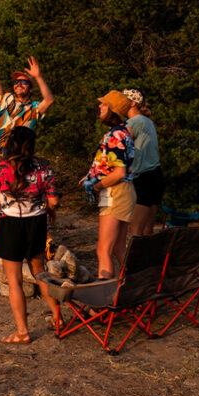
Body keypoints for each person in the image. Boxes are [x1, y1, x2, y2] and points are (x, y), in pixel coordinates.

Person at [0, 126, 60, 344]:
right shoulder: (43, 166)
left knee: (14, 281)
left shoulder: (1, 168)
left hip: (11, 225)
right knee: (39, 272)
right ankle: (58, 317)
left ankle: (23, 332)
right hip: (37, 222)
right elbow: (53, 201)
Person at [81, 91, 136, 280]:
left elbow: (119, 173)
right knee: (120, 249)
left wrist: (96, 186)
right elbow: (114, 166)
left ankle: (106, 301)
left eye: (104, 104)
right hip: (125, 193)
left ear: (112, 110)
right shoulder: (123, 132)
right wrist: (93, 174)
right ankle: (135, 288)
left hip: (115, 193)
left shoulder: (115, 135)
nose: (99, 107)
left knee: (103, 250)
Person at [0, 27, 54, 157]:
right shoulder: (5, 98)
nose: (18, 84)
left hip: (21, 158)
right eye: (16, 82)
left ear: (31, 88)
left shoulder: (34, 108)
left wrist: (38, 77)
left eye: (23, 82)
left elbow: (49, 100)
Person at [122, 89, 163, 237]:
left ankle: (136, 260)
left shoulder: (133, 122)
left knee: (135, 229)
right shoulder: (148, 121)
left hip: (143, 178)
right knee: (147, 230)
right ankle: (150, 259)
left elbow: (119, 145)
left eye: (124, 99)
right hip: (155, 175)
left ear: (133, 103)